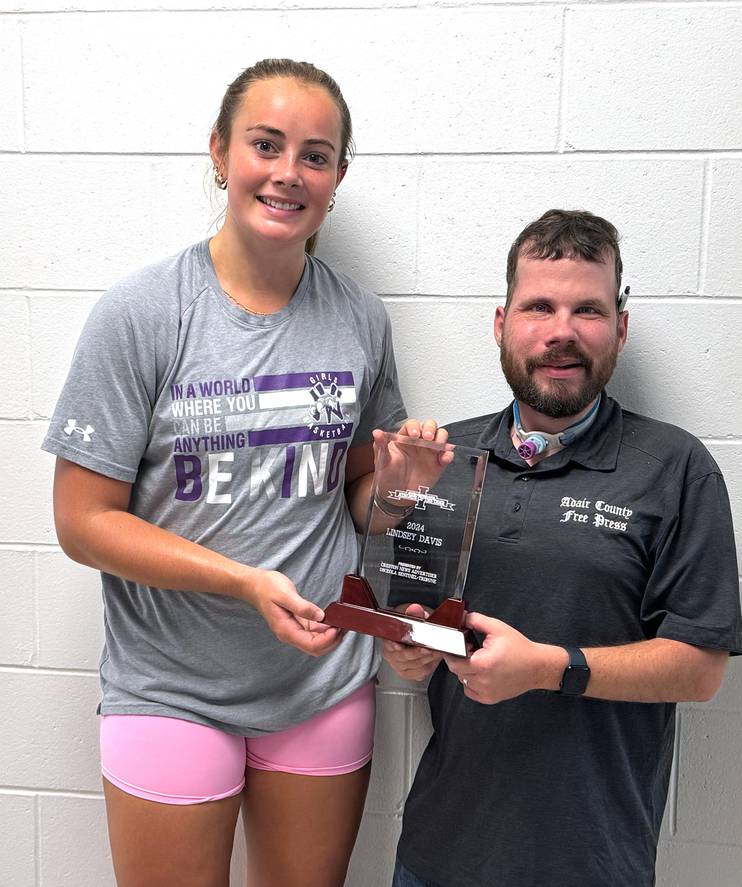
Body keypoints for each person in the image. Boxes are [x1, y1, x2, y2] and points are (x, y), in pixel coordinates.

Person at [42, 58, 442, 887]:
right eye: (266, 144)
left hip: (322, 682)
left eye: (316, 154)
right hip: (171, 687)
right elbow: (83, 521)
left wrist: (400, 486)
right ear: (220, 153)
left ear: (336, 179)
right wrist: (243, 582)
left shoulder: (360, 318)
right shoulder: (143, 312)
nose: (288, 172)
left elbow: (364, 503)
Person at [383, 209, 742, 887]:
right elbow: (416, 630)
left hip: (590, 862)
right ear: (501, 322)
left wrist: (548, 666)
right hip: (436, 854)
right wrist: (406, 644)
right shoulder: (443, 460)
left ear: (621, 327)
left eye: (588, 309)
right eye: (539, 306)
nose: (561, 332)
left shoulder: (676, 467)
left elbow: (700, 668)